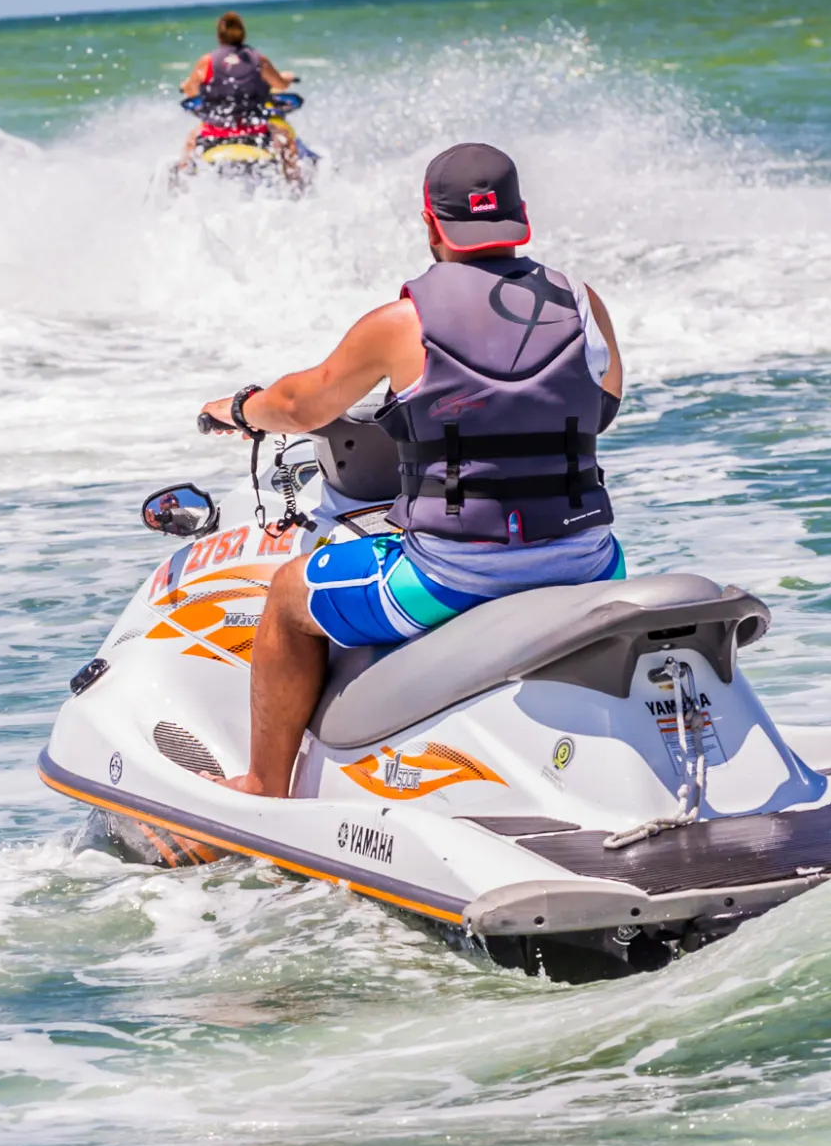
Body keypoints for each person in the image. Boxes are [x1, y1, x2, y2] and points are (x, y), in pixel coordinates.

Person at [198, 143, 627, 798]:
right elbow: (602, 408)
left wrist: (237, 408)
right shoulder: (581, 300)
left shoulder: (402, 325)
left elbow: (300, 404)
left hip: (457, 576)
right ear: (522, 217)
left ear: (432, 225)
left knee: (288, 598)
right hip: (590, 563)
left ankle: (262, 784)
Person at [177, 11, 300, 182]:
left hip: (216, 133)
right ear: (243, 34)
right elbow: (280, 84)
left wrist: (186, 86)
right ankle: (295, 187)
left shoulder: (207, 61)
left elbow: (191, 91)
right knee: (286, 137)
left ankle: (181, 187)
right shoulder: (258, 59)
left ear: (219, 36)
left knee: (191, 139)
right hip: (255, 132)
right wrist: (286, 78)